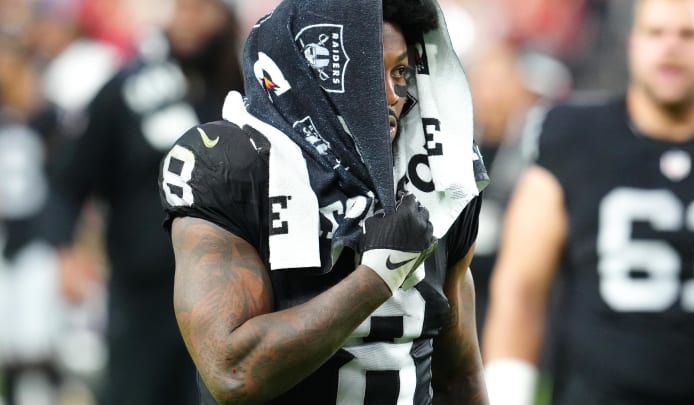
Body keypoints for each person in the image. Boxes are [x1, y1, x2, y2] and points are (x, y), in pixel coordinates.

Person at [158, 0, 490, 403]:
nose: (392, 95)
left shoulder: (438, 171)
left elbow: (460, 375)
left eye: (400, 71)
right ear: (309, 75)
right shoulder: (232, 163)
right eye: (369, 74)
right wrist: (379, 276)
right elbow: (232, 371)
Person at [482, 0, 694, 404]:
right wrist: (508, 394)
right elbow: (521, 287)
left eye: (689, 34)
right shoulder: (575, 135)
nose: (670, 47)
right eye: (656, 33)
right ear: (633, 43)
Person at [38, 0, 245, 404]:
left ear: (225, 16)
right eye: (182, 9)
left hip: (228, 295)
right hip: (143, 296)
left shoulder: (247, 93)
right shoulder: (129, 89)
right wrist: (65, 254)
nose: (189, 22)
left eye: (202, 10)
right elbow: (68, 177)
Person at [466, 43, 571, 342]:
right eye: (483, 83)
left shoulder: (536, 144)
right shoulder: (452, 140)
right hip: (465, 267)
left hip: (512, 265)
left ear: (518, 87)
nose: (491, 95)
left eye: (500, 83)